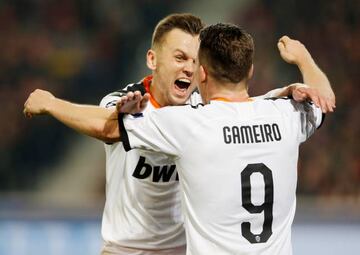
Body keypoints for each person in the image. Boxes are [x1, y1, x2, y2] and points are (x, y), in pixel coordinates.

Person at [23, 14, 334, 255]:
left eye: (195, 61)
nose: (188, 68)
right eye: (180, 57)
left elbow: (117, 127)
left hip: (182, 247)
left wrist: (51, 104)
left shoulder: (196, 117)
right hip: (128, 248)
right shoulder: (124, 101)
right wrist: (301, 68)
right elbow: (108, 126)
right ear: (152, 59)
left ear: (204, 71)